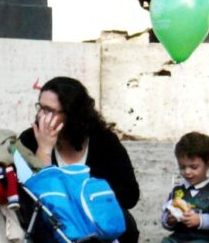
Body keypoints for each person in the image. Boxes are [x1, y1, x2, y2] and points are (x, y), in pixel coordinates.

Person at [18, 76, 140, 243]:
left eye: (49, 110)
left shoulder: (103, 141)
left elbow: (129, 194)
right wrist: (44, 150)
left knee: (126, 223)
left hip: (96, 221)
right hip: (52, 225)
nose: (41, 116)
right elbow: (31, 197)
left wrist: (88, 196)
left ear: (71, 114)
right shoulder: (30, 139)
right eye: (40, 108)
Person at [160, 131, 209, 242]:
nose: (187, 172)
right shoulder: (178, 190)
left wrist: (200, 220)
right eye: (182, 167)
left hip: (205, 238)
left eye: (193, 167)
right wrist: (169, 220)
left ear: (208, 163)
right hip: (179, 237)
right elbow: (165, 215)